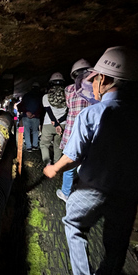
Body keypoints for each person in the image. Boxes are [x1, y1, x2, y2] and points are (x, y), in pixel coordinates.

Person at [43, 46, 138, 275]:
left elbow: (74, 155)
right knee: (117, 240)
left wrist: (54, 167)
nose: (94, 84)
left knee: (74, 226)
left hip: (92, 188)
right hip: (128, 192)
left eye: (96, 79)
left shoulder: (94, 113)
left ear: (105, 79)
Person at [56, 59, 96, 201]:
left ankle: (66, 193)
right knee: (87, 164)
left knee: (69, 164)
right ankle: (86, 193)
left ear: (74, 75)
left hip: (72, 132)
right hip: (90, 133)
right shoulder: (95, 89)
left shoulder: (69, 90)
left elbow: (68, 105)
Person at [40, 72, 67, 166]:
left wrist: (55, 123)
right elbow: (68, 112)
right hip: (63, 124)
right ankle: (57, 164)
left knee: (44, 144)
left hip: (49, 124)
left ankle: (48, 164)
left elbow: (48, 111)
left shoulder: (46, 97)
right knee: (58, 145)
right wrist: (59, 122)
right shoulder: (67, 95)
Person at [18, 82, 43, 152]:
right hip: (36, 117)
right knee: (35, 131)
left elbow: (21, 106)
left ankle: (29, 147)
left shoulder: (26, 95)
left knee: (26, 131)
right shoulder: (40, 96)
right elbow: (41, 107)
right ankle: (35, 146)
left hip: (26, 116)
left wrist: (26, 112)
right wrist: (35, 114)